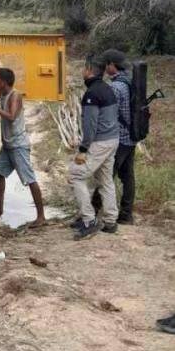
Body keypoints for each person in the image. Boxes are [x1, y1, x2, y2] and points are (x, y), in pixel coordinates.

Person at [0, 67, 46, 228]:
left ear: (3, 82)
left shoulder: (14, 96)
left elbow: (11, 116)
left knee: (30, 179)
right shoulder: (2, 91)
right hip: (8, 144)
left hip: (18, 145)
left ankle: (41, 216)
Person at [69, 58, 119, 239]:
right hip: (113, 140)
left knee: (75, 174)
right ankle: (111, 221)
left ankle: (89, 220)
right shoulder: (107, 88)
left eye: (84, 68)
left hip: (100, 142)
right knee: (105, 180)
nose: (82, 71)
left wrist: (83, 149)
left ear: (89, 70)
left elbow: (90, 125)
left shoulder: (92, 94)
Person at [101, 49, 137, 224]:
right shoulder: (131, 81)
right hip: (132, 136)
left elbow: (109, 115)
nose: (106, 68)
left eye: (107, 64)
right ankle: (126, 214)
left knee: (106, 176)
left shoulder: (115, 87)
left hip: (120, 138)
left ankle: (92, 212)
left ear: (112, 65)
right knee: (128, 176)